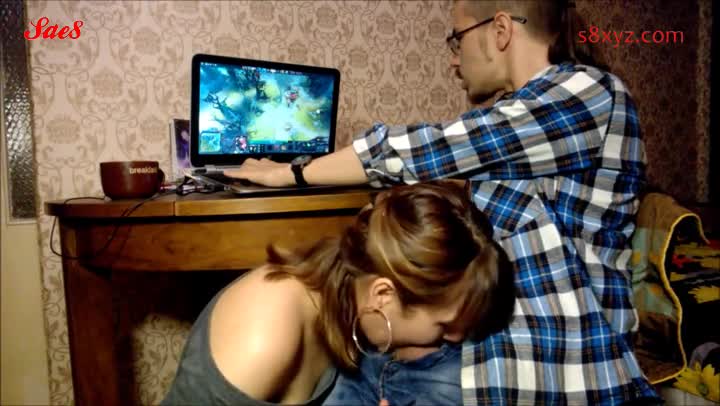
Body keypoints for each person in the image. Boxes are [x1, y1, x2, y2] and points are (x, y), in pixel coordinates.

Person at [225, 0, 662, 404]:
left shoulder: (591, 92)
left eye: (457, 38)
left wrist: (291, 173)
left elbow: (434, 148)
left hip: (559, 367)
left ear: (501, 31)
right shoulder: (519, 124)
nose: (454, 59)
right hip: (466, 355)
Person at [162, 181, 515, 405]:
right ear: (383, 295)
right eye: (444, 325)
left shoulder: (348, 299)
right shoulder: (264, 340)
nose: (455, 338)